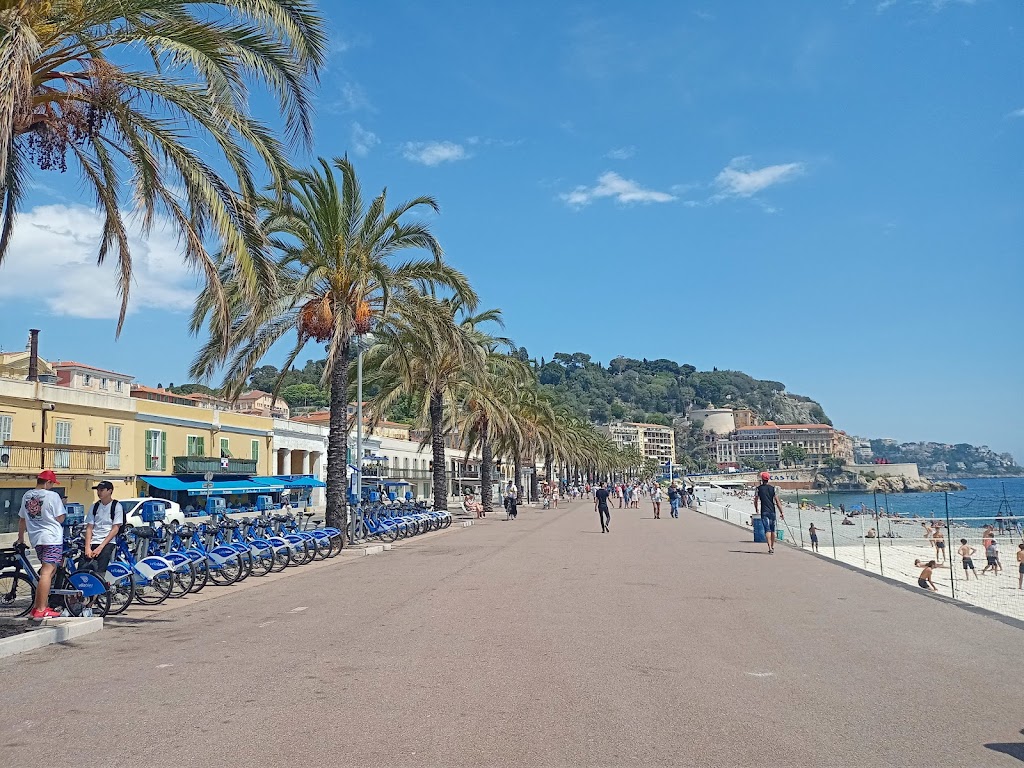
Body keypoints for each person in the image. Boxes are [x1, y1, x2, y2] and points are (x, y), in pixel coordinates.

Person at [16, 470, 66, 619]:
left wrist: (20, 539)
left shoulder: (27, 496)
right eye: (52, 484)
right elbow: (61, 518)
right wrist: (62, 506)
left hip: (36, 539)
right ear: (48, 482)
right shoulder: (53, 496)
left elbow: (22, 519)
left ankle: (39, 606)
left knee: (47, 572)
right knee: (46, 573)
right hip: (52, 538)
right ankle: (41, 609)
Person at [81, 481, 124, 577]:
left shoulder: (116, 506)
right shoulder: (94, 506)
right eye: (98, 490)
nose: (99, 492)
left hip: (108, 542)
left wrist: (100, 547)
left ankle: (101, 587)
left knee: (101, 566)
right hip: (94, 540)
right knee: (83, 566)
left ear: (110, 491)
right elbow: (89, 527)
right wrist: (87, 547)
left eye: (102, 490)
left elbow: (115, 529)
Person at [753, 471, 784, 554]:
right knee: (773, 529)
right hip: (772, 511)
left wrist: (756, 509)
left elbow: (755, 500)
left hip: (764, 511)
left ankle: (769, 547)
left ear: (762, 479)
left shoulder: (758, 489)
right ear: (768, 479)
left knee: (767, 530)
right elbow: (777, 501)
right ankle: (773, 546)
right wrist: (781, 512)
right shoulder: (773, 488)